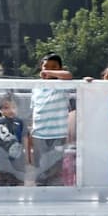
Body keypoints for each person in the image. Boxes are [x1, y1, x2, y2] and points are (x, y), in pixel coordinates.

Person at [29, 53, 73, 187]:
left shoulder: (62, 86)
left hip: (57, 134)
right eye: (45, 66)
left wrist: (48, 72)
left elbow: (68, 76)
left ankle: (55, 193)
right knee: (40, 168)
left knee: (54, 167)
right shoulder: (36, 88)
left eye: (53, 67)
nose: (48, 70)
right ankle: (40, 192)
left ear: (60, 68)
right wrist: (31, 130)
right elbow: (34, 110)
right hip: (39, 134)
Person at [0, 93, 26, 186]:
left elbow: (24, 138)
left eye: (14, 107)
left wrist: (27, 156)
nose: (10, 110)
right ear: (0, 109)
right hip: (2, 158)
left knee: (17, 181)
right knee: (2, 180)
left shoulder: (20, 121)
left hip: (17, 158)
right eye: (6, 108)